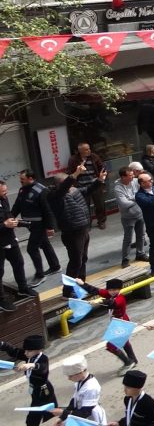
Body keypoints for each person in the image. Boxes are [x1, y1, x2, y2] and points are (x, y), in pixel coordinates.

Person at [50, 165, 105, 298]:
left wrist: (99, 180)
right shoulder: (55, 196)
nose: (73, 184)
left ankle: (81, 284)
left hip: (83, 229)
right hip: (72, 232)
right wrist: (75, 174)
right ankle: (67, 292)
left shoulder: (74, 190)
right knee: (75, 262)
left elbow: (87, 190)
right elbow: (63, 189)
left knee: (83, 259)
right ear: (62, 184)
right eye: (70, 182)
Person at [78, 278, 139, 375]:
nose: (112, 292)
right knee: (124, 342)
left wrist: (98, 302)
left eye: (115, 290)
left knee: (111, 346)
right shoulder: (109, 294)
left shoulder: (120, 298)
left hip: (121, 324)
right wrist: (82, 284)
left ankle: (128, 363)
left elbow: (112, 303)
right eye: (110, 290)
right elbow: (95, 290)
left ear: (119, 289)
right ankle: (133, 360)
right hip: (118, 323)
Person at [11, 170, 61, 283]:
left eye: (22, 180)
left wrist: (50, 227)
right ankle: (55, 266)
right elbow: (17, 205)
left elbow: (47, 210)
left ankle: (40, 275)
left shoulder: (42, 191)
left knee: (32, 248)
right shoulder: (23, 190)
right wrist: (10, 217)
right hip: (30, 224)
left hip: (40, 225)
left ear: (30, 179)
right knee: (45, 244)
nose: (20, 182)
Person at [1, 335, 56, 426]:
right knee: (38, 415)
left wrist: (31, 365)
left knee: (45, 415)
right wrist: (3, 345)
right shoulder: (29, 355)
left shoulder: (43, 358)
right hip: (34, 390)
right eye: (25, 350)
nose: (26, 353)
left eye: (29, 351)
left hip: (44, 391)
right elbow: (15, 352)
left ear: (39, 350)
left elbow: (42, 368)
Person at [1, 181, 38, 310]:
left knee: (18, 263)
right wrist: (4, 225)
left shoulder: (4, 199)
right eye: (3, 191)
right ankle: (2, 300)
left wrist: (18, 222)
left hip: (10, 239)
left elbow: (8, 214)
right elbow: (4, 222)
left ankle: (23, 288)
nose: (6, 194)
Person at [52, 355, 106, 425]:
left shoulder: (91, 387)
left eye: (70, 376)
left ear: (81, 372)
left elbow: (85, 412)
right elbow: (74, 401)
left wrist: (63, 413)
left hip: (91, 417)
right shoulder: (79, 381)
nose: (69, 378)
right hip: (80, 413)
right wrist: (62, 418)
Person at [65, 142, 107, 230]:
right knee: (85, 206)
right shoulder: (73, 159)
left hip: (95, 184)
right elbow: (69, 172)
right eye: (86, 149)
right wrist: (78, 172)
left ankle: (101, 221)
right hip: (82, 186)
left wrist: (102, 177)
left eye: (89, 148)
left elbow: (102, 167)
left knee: (100, 204)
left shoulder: (94, 157)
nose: (89, 150)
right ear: (80, 151)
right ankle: (88, 224)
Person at [112, 167, 146, 268]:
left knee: (141, 235)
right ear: (123, 177)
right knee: (128, 239)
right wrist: (137, 198)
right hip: (128, 217)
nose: (133, 177)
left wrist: (132, 198)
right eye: (130, 175)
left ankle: (140, 253)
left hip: (139, 213)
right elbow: (123, 204)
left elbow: (144, 192)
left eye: (132, 174)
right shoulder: (118, 188)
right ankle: (125, 259)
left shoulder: (136, 181)